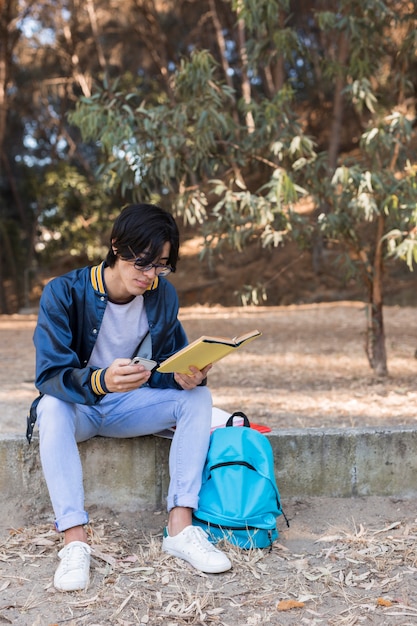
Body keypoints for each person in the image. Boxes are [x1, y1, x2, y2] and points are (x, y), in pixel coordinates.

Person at [27, 203, 232, 592]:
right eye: (143, 263)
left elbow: (169, 365)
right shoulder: (63, 292)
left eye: (162, 265)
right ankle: (74, 542)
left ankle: (180, 528)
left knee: (197, 401)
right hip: (80, 409)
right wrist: (101, 380)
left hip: (129, 407)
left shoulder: (162, 295)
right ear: (116, 246)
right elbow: (49, 376)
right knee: (51, 407)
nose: (151, 275)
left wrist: (188, 377)